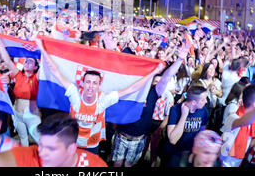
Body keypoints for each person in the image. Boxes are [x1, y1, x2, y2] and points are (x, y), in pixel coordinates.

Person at [37, 37, 165, 155]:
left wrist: (153, 72)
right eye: (88, 82)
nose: (90, 86)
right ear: (83, 83)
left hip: (92, 145)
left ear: (99, 86)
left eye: (94, 83)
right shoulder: (74, 94)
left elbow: (132, 88)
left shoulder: (103, 99)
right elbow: (55, 71)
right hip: (72, 142)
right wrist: (42, 48)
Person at [111, 43, 190, 167]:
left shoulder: (154, 92)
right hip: (121, 135)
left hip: (138, 139)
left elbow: (167, 76)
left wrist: (180, 59)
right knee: (117, 163)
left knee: (128, 165)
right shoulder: (131, 88)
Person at [0, 36, 41, 146]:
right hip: (16, 113)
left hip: (31, 115)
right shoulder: (19, 75)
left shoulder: (36, 78)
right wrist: (1, 45)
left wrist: (43, 49)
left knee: (39, 140)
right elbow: (7, 60)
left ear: (35, 67)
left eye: (31, 62)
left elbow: (44, 65)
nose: (27, 63)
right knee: (23, 138)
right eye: (26, 61)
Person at [161, 85, 210, 167]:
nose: (206, 101)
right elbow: (173, 140)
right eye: (203, 99)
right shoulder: (176, 110)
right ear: (194, 102)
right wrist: (184, 115)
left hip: (191, 154)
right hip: (174, 154)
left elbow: (201, 133)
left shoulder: (203, 110)